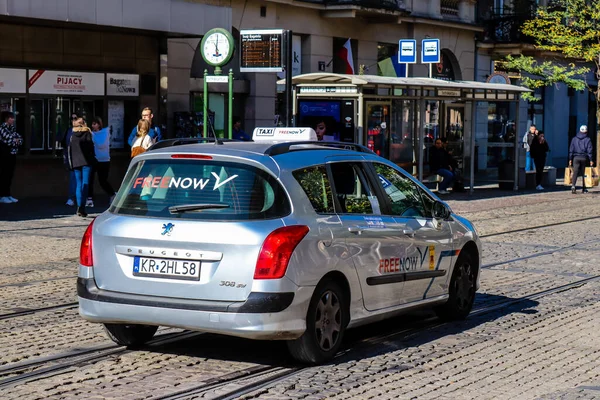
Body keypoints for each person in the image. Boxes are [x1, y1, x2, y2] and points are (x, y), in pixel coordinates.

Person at [68, 118, 96, 217]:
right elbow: (91, 149)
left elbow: (69, 150)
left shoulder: (72, 136)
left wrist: (71, 164)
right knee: (85, 184)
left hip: (76, 162)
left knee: (79, 184)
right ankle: (82, 208)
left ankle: (79, 206)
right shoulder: (87, 134)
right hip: (86, 162)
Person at [90, 117, 117, 204]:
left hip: (104, 160)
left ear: (99, 124)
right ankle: (89, 197)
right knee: (90, 179)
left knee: (102, 180)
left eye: (95, 124)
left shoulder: (104, 133)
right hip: (96, 159)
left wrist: (92, 136)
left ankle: (112, 194)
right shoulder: (92, 134)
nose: (93, 126)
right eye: (92, 124)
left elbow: (100, 144)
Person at [0, 111, 23, 203]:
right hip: (4, 155)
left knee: (10, 175)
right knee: (4, 175)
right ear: (6, 119)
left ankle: (8, 194)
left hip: (12, 154)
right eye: (11, 118)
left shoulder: (12, 128)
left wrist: (16, 140)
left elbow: (20, 139)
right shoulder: (1, 128)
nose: (13, 119)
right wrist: (14, 140)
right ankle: (2, 195)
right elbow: (9, 140)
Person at [60, 113, 79, 206]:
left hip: (82, 159)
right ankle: (71, 198)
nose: (73, 120)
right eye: (72, 119)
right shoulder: (68, 131)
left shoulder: (84, 130)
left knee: (83, 180)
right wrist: (66, 160)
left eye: (75, 118)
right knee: (73, 179)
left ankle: (83, 199)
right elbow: (65, 146)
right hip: (72, 159)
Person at [568, 124, 594, 194]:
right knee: (584, 173)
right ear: (586, 131)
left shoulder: (574, 139)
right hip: (584, 158)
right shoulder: (588, 139)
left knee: (575, 172)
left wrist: (570, 158)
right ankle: (584, 188)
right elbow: (589, 150)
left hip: (576, 158)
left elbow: (571, 149)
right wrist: (591, 159)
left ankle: (573, 186)